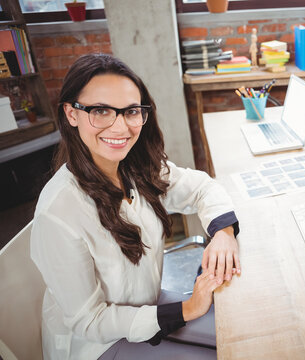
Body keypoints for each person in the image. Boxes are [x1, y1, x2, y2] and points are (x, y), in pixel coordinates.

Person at [30, 54, 241, 359]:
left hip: (149, 305)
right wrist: (187, 308)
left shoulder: (136, 168)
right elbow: (88, 320)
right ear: (71, 114)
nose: (120, 127)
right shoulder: (58, 212)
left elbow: (202, 188)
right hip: (100, 343)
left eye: (130, 111)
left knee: (243, 337)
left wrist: (223, 233)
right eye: (101, 111)